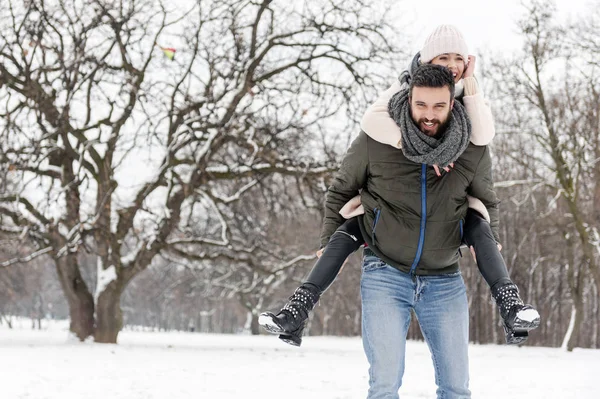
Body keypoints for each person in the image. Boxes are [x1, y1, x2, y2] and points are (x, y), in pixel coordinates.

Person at [260, 25, 540, 349]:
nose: (451, 64)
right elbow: (369, 123)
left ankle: (511, 305)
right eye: (443, 56)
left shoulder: (467, 110)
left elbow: (483, 143)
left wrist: (472, 87)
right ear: (423, 62)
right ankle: (296, 310)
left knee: (479, 223)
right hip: (387, 222)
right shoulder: (402, 92)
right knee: (349, 229)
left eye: (458, 58)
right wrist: (414, 146)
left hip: (445, 230)